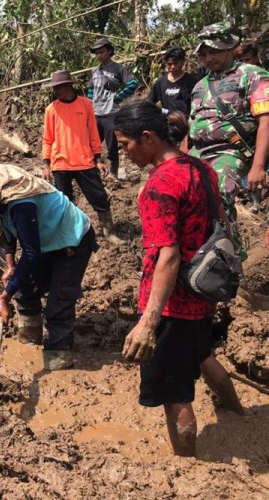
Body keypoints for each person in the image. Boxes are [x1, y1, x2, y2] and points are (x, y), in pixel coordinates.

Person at [114, 100, 243, 457]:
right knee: (203, 354)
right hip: (204, 291)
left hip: (173, 305)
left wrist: (148, 322)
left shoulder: (159, 186)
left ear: (148, 137)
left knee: (175, 393)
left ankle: (186, 466)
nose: (124, 154)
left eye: (126, 145)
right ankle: (239, 414)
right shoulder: (203, 169)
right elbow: (219, 222)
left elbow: (168, 255)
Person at [0, 154, 98, 370]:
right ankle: (29, 339)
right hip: (44, 239)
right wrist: (10, 264)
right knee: (24, 288)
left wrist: (4, 298)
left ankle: (58, 362)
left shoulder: (19, 198)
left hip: (71, 241)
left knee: (58, 304)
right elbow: (9, 230)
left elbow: (31, 252)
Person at [189, 23, 269, 261]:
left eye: (214, 51)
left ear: (231, 48)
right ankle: (197, 252)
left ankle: (231, 256)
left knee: (218, 193)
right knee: (179, 193)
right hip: (198, 151)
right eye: (204, 53)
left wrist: (258, 166)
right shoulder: (199, 86)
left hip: (232, 151)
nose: (209, 58)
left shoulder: (252, 75)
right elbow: (190, 126)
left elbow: (266, 121)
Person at [41, 69, 122, 244]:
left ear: (69, 85)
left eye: (59, 87)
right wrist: (46, 163)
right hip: (60, 164)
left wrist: (98, 158)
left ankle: (108, 231)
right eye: (54, 88)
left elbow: (93, 132)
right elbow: (47, 138)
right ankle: (70, 237)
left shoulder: (85, 104)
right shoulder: (51, 110)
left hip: (84, 161)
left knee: (99, 197)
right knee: (65, 203)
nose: (56, 91)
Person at [87, 38, 139, 180]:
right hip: (96, 112)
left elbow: (133, 83)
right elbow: (91, 90)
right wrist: (89, 106)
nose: (99, 55)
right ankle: (94, 170)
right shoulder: (95, 71)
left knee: (112, 143)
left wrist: (117, 98)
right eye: (96, 53)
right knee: (93, 143)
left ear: (109, 51)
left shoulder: (118, 69)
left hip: (111, 112)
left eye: (101, 52)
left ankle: (113, 173)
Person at [147, 47, 200, 117]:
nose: (172, 66)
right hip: (167, 123)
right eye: (169, 64)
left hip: (186, 123)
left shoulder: (192, 81)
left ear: (183, 61)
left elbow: (199, 104)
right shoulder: (161, 82)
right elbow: (149, 102)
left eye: (175, 63)